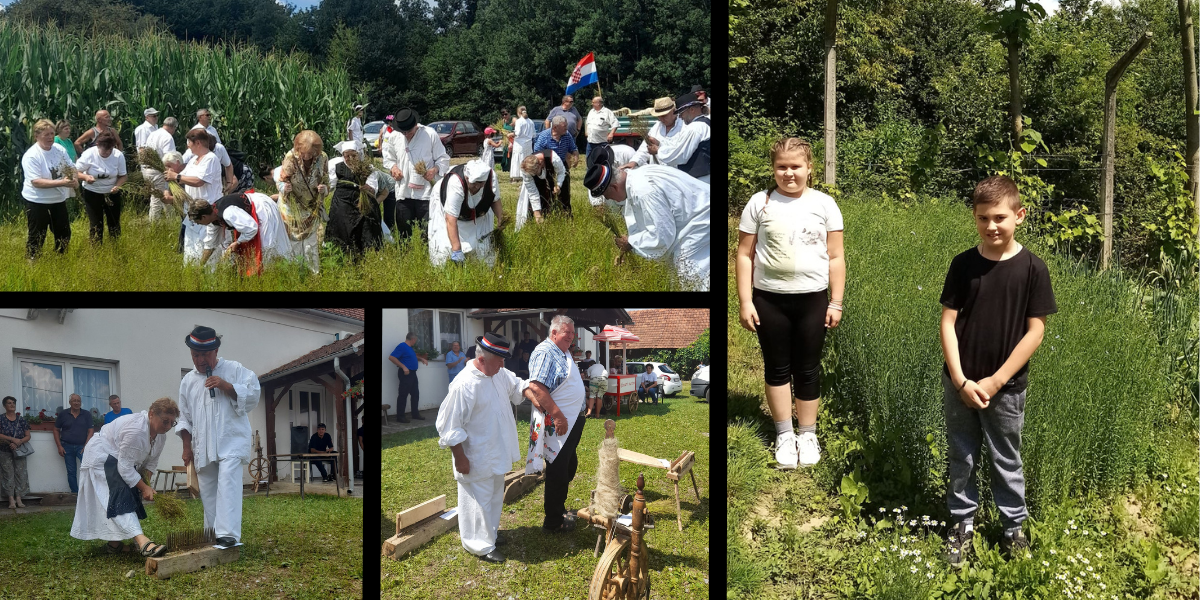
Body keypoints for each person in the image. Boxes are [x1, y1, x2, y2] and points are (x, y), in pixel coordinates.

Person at [940, 175, 1057, 566]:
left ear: (1019, 216)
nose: (991, 226)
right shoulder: (963, 265)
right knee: (962, 454)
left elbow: (1035, 332)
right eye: (983, 217)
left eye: (1000, 217)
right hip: (960, 382)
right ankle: (961, 524)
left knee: (1006, 457)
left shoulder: (1032, 269)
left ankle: (1013, 529)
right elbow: (947, 323)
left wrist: (995, 380)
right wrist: (961, 380)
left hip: (1006, 389)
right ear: (974, 218)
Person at [736, 137, 844, 470]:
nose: (789, 173)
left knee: (808, 368)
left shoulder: (825, 205)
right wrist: (744, 301)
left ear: (810, 168)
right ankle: (784, 434)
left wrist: (836, 302)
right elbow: (743, 255)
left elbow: (837, 256)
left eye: (796, 166)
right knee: (777, 367)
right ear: (774, 169)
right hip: (769, 300)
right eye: (782, 167)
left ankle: (807, 434)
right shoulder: (760, 203)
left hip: (813, 298)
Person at [435, 333, 527, 563]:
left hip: (496, 450)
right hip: (475, 454)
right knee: (477, 500)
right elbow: (449, 425)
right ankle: (478, 545)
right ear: (483, 359)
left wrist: (533, 388)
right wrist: (460, 457)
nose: (503, 365)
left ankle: (490, 535)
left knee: (494, 495)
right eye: (499, 361)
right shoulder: (465, 384)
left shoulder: (498, 373)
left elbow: (516, 386)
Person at [176, 326, 262, 547]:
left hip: (231, 440)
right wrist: (187, 447)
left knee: (228, 484)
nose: (200, 360)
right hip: (203, 445)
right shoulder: (188, 381)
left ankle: (228, 536)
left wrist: (226, 386)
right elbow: (185, 417)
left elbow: (253, 393)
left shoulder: (235, 369)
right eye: (195, 355)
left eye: (205, 354)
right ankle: (214, 536)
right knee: (209, 491)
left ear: (215, 351)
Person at [70, 397, 177, 557]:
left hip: (119, 459)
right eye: (165, 421)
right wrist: (144, 487)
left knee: (132, 493)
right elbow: (125, 468)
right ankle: (142, 542)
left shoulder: (161, 435)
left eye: (172, 423)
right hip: (102, 455)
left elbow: (151, 462)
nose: (168, 427)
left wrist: (144, 485)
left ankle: (114, 546)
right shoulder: (136, 430)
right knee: (119, 495)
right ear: (151, 414)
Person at [585, 162, 711, 291]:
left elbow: (662, 235)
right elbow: (645, 220)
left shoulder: (643, 191)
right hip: (693, 216)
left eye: (609, 196)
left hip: (702, 217)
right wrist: (631, 240)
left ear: (615, 187)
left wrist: (631, 243)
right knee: (678, 271)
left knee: (688, 270)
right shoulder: (634, 178)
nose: (613, 201)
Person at [521, 315, 584, 533]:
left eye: (573, 333)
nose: (572, 337)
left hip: (572, 421)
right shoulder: (545, 351)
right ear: (554, 333)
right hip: (560, 423)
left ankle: (559, 507)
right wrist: (558, 415)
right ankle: (553, 520)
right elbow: (537, 386)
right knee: (558, 470)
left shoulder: (563, 351)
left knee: (569, 465)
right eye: (567, 332)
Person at [382, 108, 450, 242]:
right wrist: (393, 168)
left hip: (425, 194)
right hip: (403, 192)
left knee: (427, 231)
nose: (406, 134)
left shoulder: (429, 134)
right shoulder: (394, 136)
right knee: (404, 232)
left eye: (409, 131)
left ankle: (427, 255)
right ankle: (405, 255)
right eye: (403, 132)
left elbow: (443, 158)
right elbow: (388, 158)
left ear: (415, 126)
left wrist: (434, 170)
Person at [189, 191, 294, 275]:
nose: (199, 224)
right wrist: (200, 266)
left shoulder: (227, 213)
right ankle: (274, 274)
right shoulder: (213, 219)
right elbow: (210, 245)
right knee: (263, 251)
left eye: (198, 222)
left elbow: (252, 228)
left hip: (262, 208)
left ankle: (283, 272)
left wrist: (237, 242)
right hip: (252, 215)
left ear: (204, 217)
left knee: (268, 247)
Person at [429, 159, 503, 267]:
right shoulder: (456, 183)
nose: (477, 187)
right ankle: (443, 268)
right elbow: (450, 220)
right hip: (448, 212)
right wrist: (456, 250)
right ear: (467, 178)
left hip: (477, 214)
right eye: (474, 184)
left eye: (481, 183)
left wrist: (501, 220)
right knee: (444, 246)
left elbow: (495, 199)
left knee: (484, 247)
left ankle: (481, 267)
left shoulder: (491, 177)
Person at [165, 129, 223, 266]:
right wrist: (170, 192)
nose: (187, 146)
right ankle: (192, 273)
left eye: (189, 143)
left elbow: (199, 181)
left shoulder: (211, 159)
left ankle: (210, 278)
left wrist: (176, 176)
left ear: (197, 143)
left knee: (207, 246)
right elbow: (181, 179)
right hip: (192, 211)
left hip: (206, 212)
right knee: (191, 246)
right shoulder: (193, 161)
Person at [21, 119, 77, 260]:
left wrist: (74, 179)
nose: (50, 137)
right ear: (36, 136)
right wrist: (62, 183)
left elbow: (71, 167)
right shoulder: (32, 155)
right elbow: (36, 182)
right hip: (37, 200)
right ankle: (32, 263)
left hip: (58, 199)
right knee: (37, 235)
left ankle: (60, 259)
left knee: (64, 233)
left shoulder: (59, 149)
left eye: (52, 134)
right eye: (46, 134)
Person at [277, 130, 329, 274]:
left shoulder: (323, 158)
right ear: (298, 148)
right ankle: (297, 273)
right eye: (303, 153)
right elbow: (281, 181)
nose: (306, 157)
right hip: (292, 207)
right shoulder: (291, 157)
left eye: (311, 154)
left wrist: (324, 189)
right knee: (294, 242)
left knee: (311, 244)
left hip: (311, 207)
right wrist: (284, 187)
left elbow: (326, 180)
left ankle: (313, 274)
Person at [326, 141, 385, 259]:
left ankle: (365, 256)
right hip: (342, 203)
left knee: (365, 227)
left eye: (353, 155)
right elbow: (330, 186)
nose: (350, 159)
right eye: (346, 156)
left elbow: (373, 187)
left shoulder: (367, 168)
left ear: (358, 154)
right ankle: (344, 255)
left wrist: (368, 188)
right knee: (342, 229)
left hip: (362, 203)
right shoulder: (337, 167)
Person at [75, 130, 128, 243]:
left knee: (114, 222)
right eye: (103, 150)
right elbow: (75, 172)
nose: (106, 153)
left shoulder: (118, 155)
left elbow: (123, 176)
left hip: (111, 192)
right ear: (98, 145)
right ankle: (96, 249)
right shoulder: (89, 154)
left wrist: (117, 187)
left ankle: (116, 246)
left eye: (109, 150)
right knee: (96, 224)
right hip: (92, 192)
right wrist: (86, 178)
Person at [653, 91, 710, 184]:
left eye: (681, 113)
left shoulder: (695, 128)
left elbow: (681, 154)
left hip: (700, 180)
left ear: (691, 109)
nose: (680, 117)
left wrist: (658, 150)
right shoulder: (706, 122)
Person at [533, 116, 580, 216]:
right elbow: (537, 153)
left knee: (565, 192)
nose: (566, 128)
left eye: (566, 125)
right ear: (555, 128)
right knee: (548, 191)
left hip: (562, 165)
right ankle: (547, 213)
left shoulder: (567, 135)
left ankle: (566, 215)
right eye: (564, 126)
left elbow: (573, 148)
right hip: (548, 166)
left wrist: (576, 157)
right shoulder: (544, 136)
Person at [623, 98, 683, 170]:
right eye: (659, 116)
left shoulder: (684, 127)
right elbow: (644, 149)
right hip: (656, 172)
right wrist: (634, 162)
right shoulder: (657, 127)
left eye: (664, 116)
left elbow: (681, 152)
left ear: (674, 111)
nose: (661, 119)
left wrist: (659, 146)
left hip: (676, 172)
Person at [514, 149, 565, 231]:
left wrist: (558, 185)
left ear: (540, 164)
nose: (533, 175)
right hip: (536, 186)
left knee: (553, 206)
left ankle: (552, 228)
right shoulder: (525, 168)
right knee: (530, 210)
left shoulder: (554, 158)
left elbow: (561, 172)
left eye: (534, 173)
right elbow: (532, 192)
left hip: (551, 181)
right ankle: (535, 229)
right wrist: (537, 214)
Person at [144, 117, 181, 221]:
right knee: (158, 198)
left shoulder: (153, 134)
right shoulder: (168, 137)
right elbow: (170, 158)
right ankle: (154, 224)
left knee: (159, 196)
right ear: (173, 127)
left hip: (149, 171)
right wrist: (171, 174)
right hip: (160, 172)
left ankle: (170, 220)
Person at [389, 333, 429, 423]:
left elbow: (412, 356)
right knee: (403, 395)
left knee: (415, 394)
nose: (415, 342)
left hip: (413, 374)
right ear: (413, 339)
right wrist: (403, 367)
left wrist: (421, 359)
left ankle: (415, 414)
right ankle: (400, 417)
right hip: (406, 374)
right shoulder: (402, 346)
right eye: (416, 340)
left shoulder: (409, 348)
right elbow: (391, 357)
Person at [0, 396, 30, 509]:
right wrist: (12, 440)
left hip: (19, 451)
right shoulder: (1, 419)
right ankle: (11, 499)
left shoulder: (21, 420)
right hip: (5, 451)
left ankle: (19, 498)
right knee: (7, 474)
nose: (12, 405)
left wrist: (19, 442)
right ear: (4, 406)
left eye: (13, 403)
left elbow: (28, 435)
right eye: (9, 403)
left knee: (20, 474)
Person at [584, 96, 618, 170]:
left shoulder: (607, 112)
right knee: (589, 161)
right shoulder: (591, 112)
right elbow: (587, 122)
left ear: (599, 103)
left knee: (602, 162)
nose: (592, 104)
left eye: (593, 102)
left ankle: (601, 176)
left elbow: (615, 123)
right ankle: (589, 177)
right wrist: (586, 131)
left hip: (601, 143)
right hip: (590, 142)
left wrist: (611, 133)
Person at [509, 106, 535, 183]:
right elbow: (534, 134)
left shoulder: (519, 121)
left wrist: (510, 134)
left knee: (518, 158)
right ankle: (527, 173)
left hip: (520, 144)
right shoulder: (531, 121)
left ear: (518, 113)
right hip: (529, 144)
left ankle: (518, 175)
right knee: (527, 158)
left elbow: (517, 133)